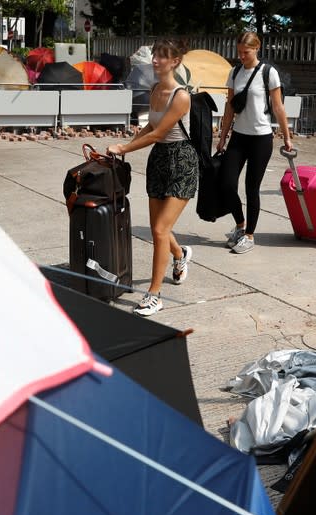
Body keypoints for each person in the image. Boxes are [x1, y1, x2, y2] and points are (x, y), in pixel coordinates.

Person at [107, 38, 198, 317]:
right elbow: (151, 126)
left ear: (175, 62)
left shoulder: (181, 96)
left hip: (181, 160)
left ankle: (154, 295)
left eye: (162, 56)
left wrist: (123, 147)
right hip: (159, 160)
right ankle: (180, 256)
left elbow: (160, 133)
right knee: (159, 227)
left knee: (159, 231)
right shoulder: (155, 88)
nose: (155, 60)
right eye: (155, 55)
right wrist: (129, 142)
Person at [216, 31, 293, 254]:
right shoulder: (235, 72)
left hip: (261, 137)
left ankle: (250, 234)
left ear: (257, 48)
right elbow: (230, 107)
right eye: (239, 52)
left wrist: (286, 136)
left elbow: (278, 107)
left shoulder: (269, 73)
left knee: (252, 188)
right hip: (239, 136)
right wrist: (222, 137)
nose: (241, 56)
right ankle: (240, 225)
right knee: (227, 183)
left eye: (245, 52)